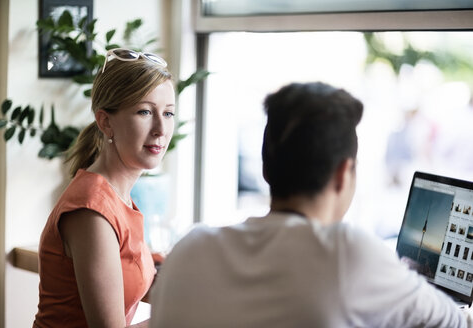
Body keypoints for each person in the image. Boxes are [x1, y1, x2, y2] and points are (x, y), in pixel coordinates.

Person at [150, 82, 473, 327]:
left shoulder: (189, 250)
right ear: (343, 174)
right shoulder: (347, 253)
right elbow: (455, 321)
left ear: (265, 167)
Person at [33, 48, 175, 328]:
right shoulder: (91, 210)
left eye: (168, 113)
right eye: (145, 111)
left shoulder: (118, 196)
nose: (161, 128)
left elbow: (127, 275)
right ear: (106, 122)